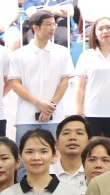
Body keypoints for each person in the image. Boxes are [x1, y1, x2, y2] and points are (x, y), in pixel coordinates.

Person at [8, 11, 74, 141]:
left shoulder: (63, 52)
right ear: (36, 27)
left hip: (55, 117)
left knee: (54, 153)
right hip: (25, 117)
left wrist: (50, 106)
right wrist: (38, 103)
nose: (52, 28)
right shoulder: (18, 54)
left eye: (54, 24)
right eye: (48, 24)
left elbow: (64, 82)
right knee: (24, 151)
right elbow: (15, 84)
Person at [74, 17, 110, 138]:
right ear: (94, 34)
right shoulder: (86, 55)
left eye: (108, 27)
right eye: (100, 29)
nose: (105, 31)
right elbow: (79, 86)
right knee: (92, 146)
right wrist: (78, 112)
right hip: (91, 112)